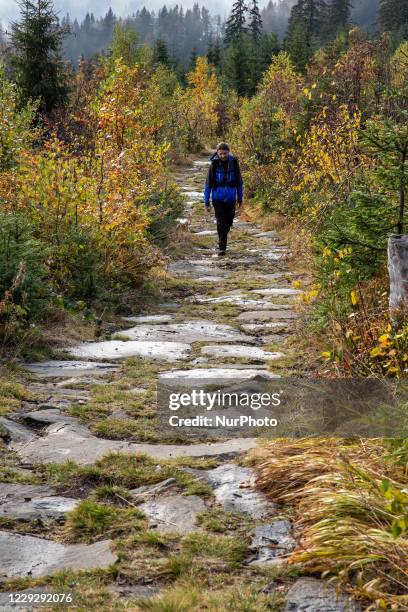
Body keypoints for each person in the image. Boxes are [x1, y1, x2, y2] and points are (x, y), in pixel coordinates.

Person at [204, 142, 243, 256]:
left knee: (229, 222)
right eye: (220, 154)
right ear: (217, 153)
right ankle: (222, 248)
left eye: (225, 153)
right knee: (221, 222)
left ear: (228, 152)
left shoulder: (234, 163)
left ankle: (222, 240)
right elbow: (208, 184)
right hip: (217, 199)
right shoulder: (214, 165)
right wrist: (206, 202)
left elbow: (239, 183)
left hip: (231, 198)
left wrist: (240, 199)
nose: (223, 156)